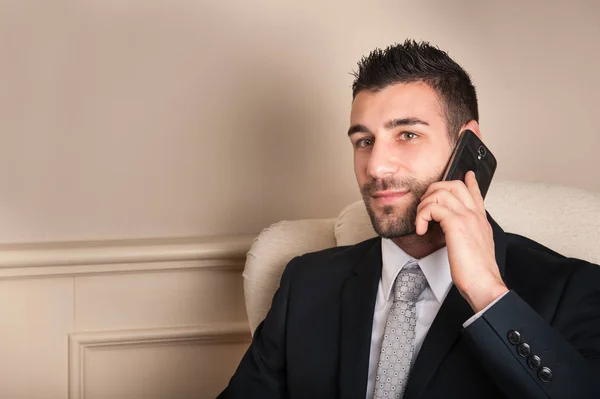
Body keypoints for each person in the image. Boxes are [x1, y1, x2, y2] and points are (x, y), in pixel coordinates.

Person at [218, 40, 600, 398]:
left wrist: (486, 293)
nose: (376, 166)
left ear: (469, 144)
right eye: (364, 141)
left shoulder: (571, 289)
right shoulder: (305, 285)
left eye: (407, 135)